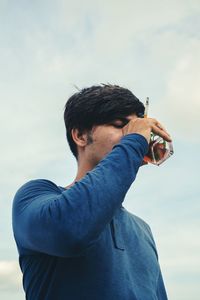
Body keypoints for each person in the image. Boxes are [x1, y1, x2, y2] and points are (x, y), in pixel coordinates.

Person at [12, 84, 171, 300]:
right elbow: (70, 232)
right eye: (121, 125)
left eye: (138, 126)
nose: (138, 132)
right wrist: (133, 141)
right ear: (80, 136)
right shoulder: (34, 196)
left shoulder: (143, 230)